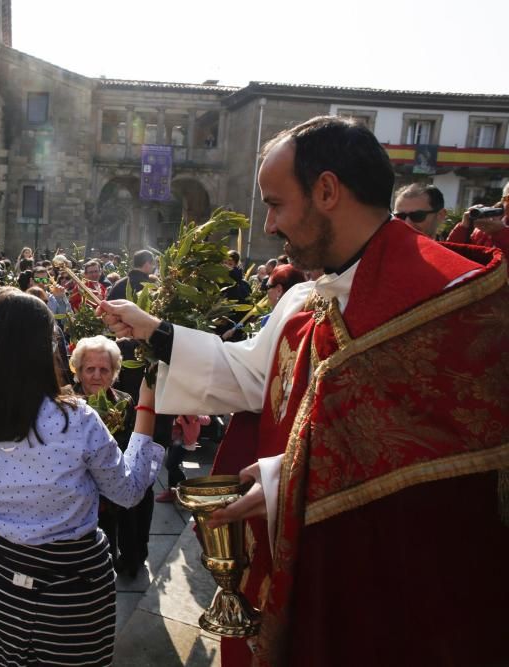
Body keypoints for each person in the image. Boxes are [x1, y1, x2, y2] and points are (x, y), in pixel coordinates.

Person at [99, 115, 509, 667]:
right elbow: (254, 377)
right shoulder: (307, 299)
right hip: (310, 554)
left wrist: (282, 476)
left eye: (275, 203)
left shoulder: (450, 301)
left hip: (396, 584)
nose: (268, 225)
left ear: (327, 191)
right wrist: (154, 330)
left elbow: (430, 460)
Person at [0, 292, 162, 666]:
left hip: (5, 586)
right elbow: (127, 493)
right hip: (76, 592)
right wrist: (146, 410)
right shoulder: (77, 420)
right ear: (48, 351)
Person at [69, 335, 155, 578]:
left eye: (104, 369)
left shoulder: (124, 401)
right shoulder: (67, 402)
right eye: (90, 369)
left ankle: (132, 558)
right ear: (78, 371)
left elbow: (132, 442)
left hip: (117, 478)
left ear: (115, 372)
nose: (97, 376)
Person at [446, 181, 509, 254]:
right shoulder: (487, 223)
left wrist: (501, 232)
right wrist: (463, 227)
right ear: (502, 201)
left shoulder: (496, 227)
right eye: (508, 198)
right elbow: (451, 252)